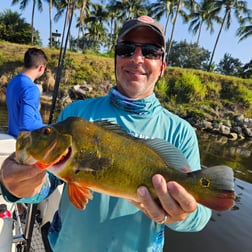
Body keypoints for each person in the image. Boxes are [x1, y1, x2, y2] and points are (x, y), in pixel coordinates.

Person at [0, 16, 212, 251]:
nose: (137, 58)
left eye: (151, 51)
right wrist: (15, 187)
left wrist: (183, 214)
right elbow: (45, 186)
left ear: (162, 66)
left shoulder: (180, 132)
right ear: (115, 59)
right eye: (126, 49)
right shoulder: (76, 114)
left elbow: (200, 217)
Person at [6, 47, 47, 138]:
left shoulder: (13, 82)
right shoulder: (31, 89)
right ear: (41, 68)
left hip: (12, 136)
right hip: (24, 143)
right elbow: (27, 124)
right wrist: (51, 128)